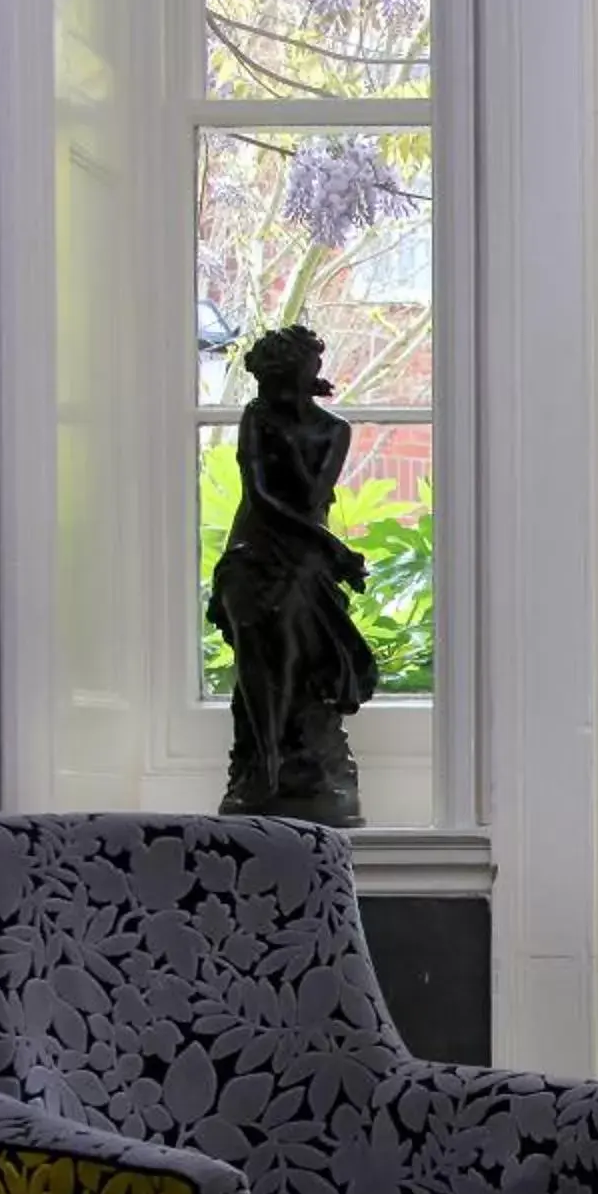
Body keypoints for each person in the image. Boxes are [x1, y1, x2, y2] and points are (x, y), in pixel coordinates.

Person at [209, 324, 378, 824]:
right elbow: (261, 498)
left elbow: (309, 501)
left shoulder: (333, 430)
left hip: (305, 553)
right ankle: (263, 764)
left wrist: (328, 550)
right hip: (254, 548)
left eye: (282, 377)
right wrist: (336, 549)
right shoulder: (257, 418)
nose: (269, 393)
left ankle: (291, 764)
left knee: (292, 630)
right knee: (257, 637)